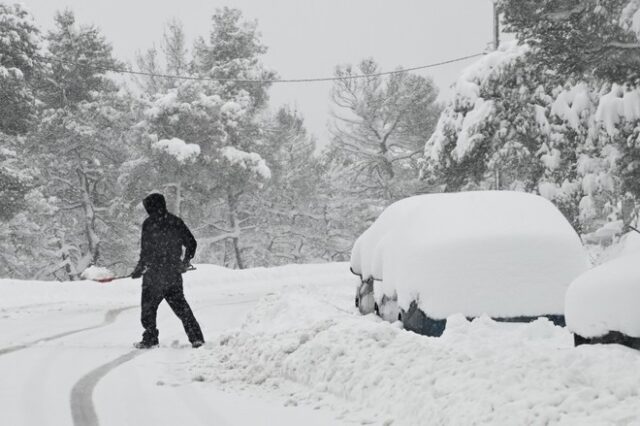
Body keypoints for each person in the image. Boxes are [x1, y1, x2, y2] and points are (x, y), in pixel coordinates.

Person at [131, 193, 205, 349]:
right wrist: (185, 261)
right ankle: (196, 339)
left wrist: (140, 268)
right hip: (172, 274)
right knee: (182, 309)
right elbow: (191, 243)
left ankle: (150, 337)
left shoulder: (149, 224)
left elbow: (145, 251)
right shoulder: (175, 222)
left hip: (153, 276)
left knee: (148, 310)